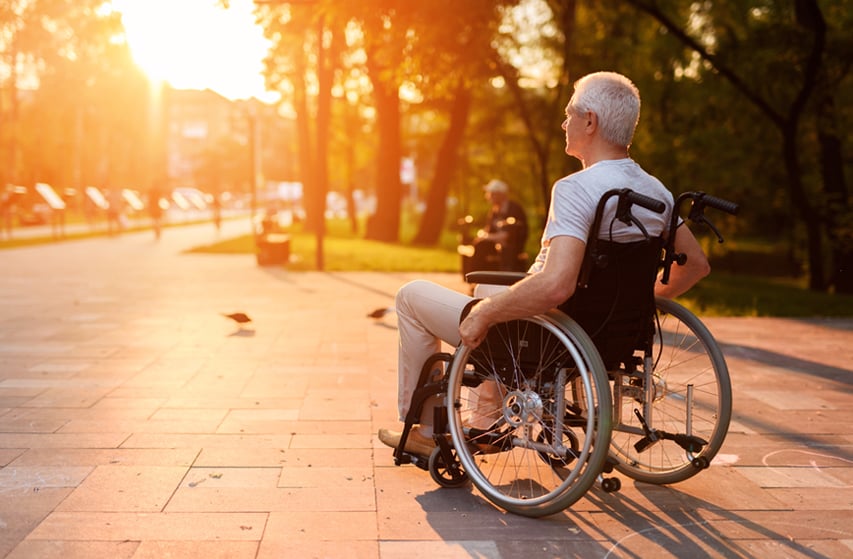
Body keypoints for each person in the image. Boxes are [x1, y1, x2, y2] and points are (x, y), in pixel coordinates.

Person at [378, 71, 711, 456]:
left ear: (591, 122)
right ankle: (485, 424)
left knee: (411, 296)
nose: (564, 122)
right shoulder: (657, 192)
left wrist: (485, 314)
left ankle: (426, 427)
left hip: (545, 335)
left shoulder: (576, 189)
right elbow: (696, 264)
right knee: (490, 287)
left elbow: (556, 286)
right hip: (609, 335)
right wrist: (637, 300)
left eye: (570, 114)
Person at [460, 179, 529, 274]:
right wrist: (485, 236)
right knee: (479, 244)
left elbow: (507, 235)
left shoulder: (514, 209)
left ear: (500, 195)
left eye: (491, 193)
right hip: (496, 243)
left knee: (504, 248)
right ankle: (476, 277)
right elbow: (488, 230)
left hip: (512, 245)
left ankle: (505, 276)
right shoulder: (494, 211)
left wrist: (488, 237)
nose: (488, 196)